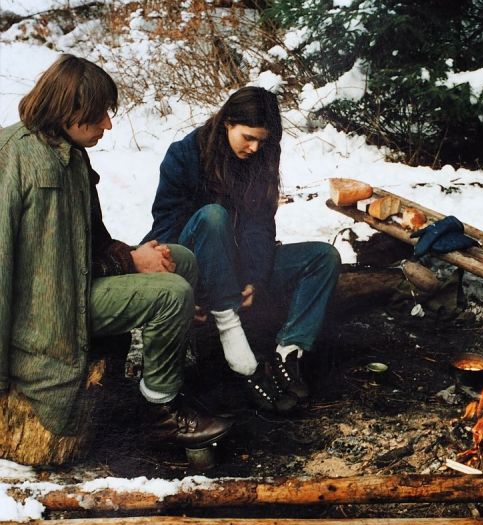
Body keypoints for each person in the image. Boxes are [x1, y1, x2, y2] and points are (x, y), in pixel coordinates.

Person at [0, 54, 233, 449]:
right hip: (46, 319)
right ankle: (162, 411)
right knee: (170, 294)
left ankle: (167, 372)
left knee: (180, 259)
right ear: (68, 110)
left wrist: (135, 255)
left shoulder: (70, 153)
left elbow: (88, 244)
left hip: (73, 292)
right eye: (98, 115)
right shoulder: (13, 158)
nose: (107, 125)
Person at [144, 86, 341, 413]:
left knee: (324, 257)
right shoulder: (184, 155)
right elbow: (165, 231)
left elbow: (260, 225)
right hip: (197, 271)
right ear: (227, 122)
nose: (254, 147)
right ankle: (233, 337)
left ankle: (288, 353)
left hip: (238, 269)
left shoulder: (261, 155)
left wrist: (254, 279)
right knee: (213, 215)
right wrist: (182, 291)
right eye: (248, 137)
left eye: (262, 141)